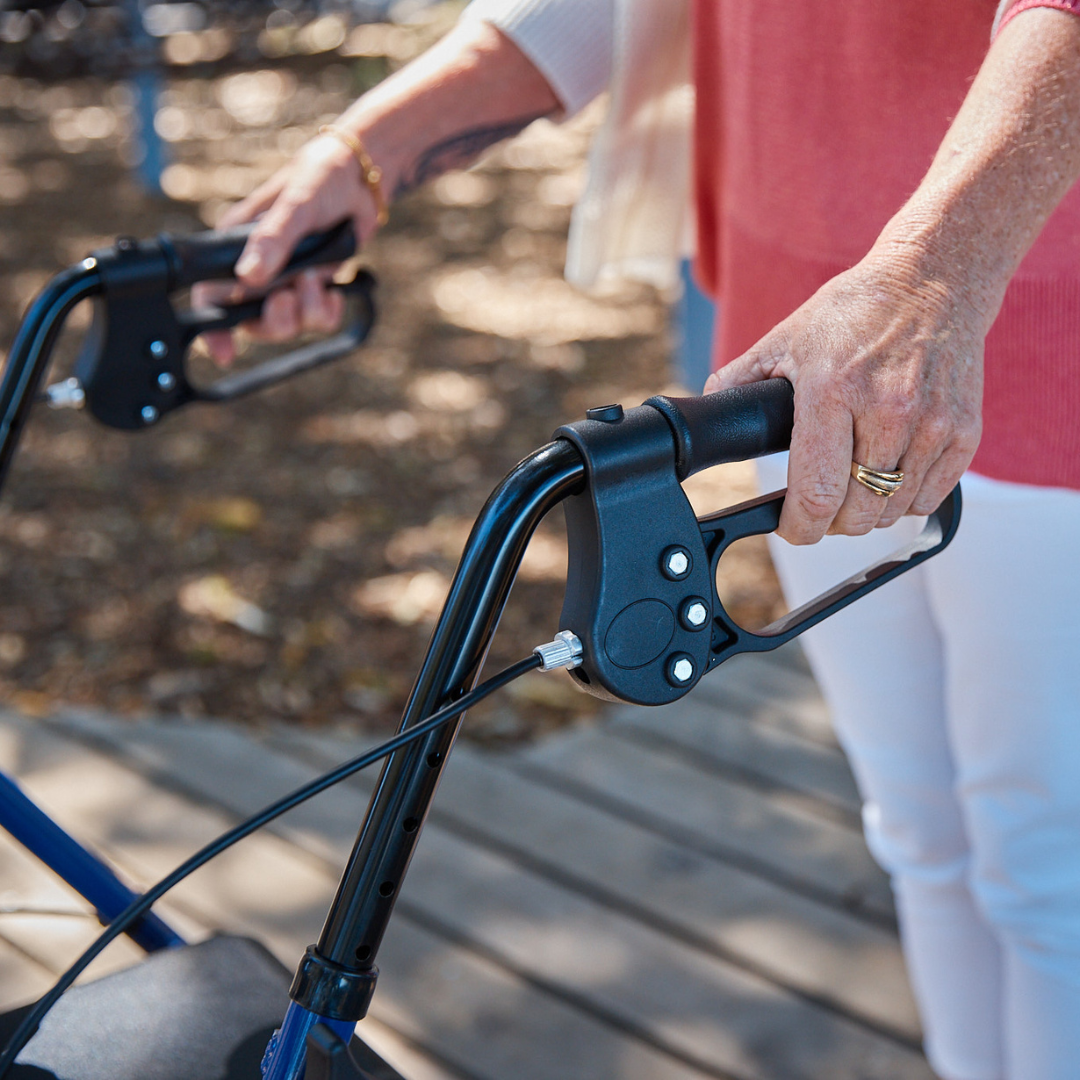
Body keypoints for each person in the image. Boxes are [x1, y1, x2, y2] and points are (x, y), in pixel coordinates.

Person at [200, 2, 1080, 1076]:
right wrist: (365, 153)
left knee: (1048, 873)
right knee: (922, 834)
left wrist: (933, 274)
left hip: (1025, 317)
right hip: (800, 340)